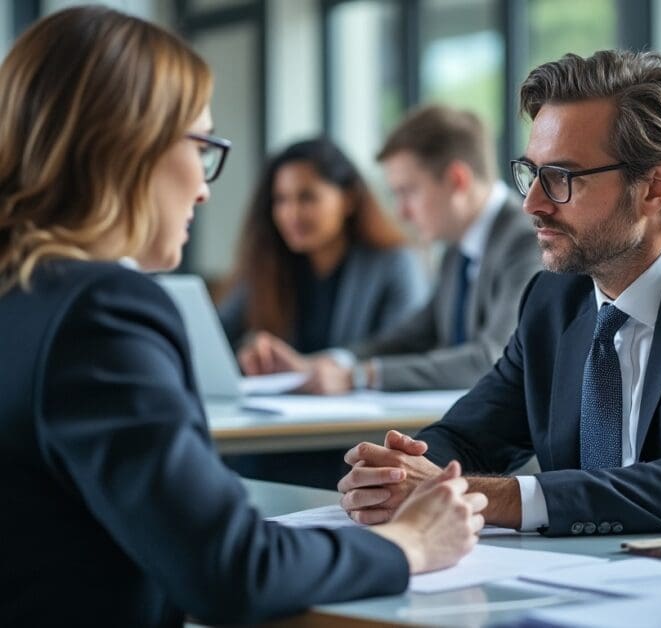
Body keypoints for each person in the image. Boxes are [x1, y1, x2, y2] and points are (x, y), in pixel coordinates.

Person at [0, 7, 485, 626]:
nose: (205, 188)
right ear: (129, 145)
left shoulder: (24, 296)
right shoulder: (98, 311)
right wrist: (409, 542)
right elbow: (232, 567)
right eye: (201, 147)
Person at [337, 50, 661, 535]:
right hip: (582, 586)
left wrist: (472, 493)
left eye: (561, 178)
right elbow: (468, 436)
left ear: (655, 188)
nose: (532, 203)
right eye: (531, 173)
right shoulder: (553, 299)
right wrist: (396, 475)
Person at [238, 104, 542, 393]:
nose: (401, 213)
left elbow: (493, 359)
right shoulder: (458, 247)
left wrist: (357, 377)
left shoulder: (524, 241)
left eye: (407, 192)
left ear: (456, 180)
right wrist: (324, 364)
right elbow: (415, 335)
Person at [219, 138, 426, 352]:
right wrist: (250, 351)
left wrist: (330, 369)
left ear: (349, 199)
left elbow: (403, 351)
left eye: (307, 197)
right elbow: (219, 333)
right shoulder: (269, 264)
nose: (292, 214)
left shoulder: (395, 264)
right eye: (281, 200)